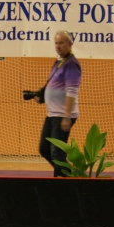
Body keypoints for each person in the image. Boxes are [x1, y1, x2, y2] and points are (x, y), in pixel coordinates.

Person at [36, 30, 81, 177]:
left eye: (61, 43)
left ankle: (62, 182)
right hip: (53, 114)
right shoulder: (59, 62)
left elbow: (71, 91)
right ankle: (69, 174)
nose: (58, 46)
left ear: (70, 44)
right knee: (44, 149)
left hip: (62, 115)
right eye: (56, 43)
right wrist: (42, 97)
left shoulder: (71, 64)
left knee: (57, 153)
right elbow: (54, 85)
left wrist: (67, 116)